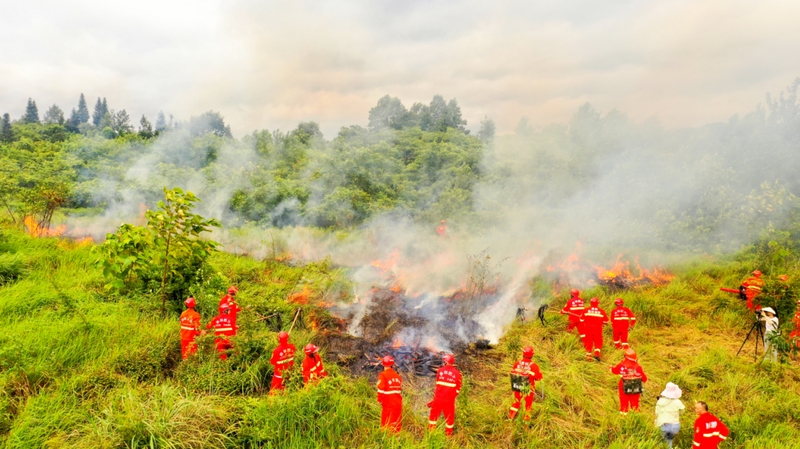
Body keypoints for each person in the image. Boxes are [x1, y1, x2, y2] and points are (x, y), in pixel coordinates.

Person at [428, 353, 462, 436]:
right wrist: (452, 397)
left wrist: (436, 399)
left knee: (433, 416)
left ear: (445, 362)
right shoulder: (458, 374)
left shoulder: (440, 371)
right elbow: (458, 389)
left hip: (438, 399)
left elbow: (437, 385)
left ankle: (431, 433)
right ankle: (448, 436)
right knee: (450, 418)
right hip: (449, 400)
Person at [508, 346, 543, 421]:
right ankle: (525, 422)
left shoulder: (517, 363)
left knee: (516, 402)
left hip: (517, 386)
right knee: (528, 405)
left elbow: (513, 372)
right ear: (532, 355)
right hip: (528, 389)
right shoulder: (534, 366)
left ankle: (511, 417)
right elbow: (538, 378)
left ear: (523, 353)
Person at [610, 348, 647, 414]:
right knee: (635, 405)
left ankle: (623, 418)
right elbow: (645, 379)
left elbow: (614, 371)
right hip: (635, 388)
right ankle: (636, 418)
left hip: (623, 386)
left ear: (626, 357)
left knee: (624, 403)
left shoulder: (621, 365)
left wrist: (611, 368)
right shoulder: (638, 367)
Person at [376, 355, 403, 432]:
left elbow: (381, 389)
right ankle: (397, 439)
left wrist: (379, 400)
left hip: (388, 403)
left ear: (383, 365)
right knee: (396, 422)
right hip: (398, 403)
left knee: (386, 422)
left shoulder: (383, 375)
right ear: (392, 365)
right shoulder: (398, 376)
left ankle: (386, 440)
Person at [655, 382, 685, 449]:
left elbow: (656, 413)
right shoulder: (678, 402)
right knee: (669, 441)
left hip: (663, 424)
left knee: (661, 442)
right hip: (675, 426)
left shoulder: (660, 401)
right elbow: (682, 411)